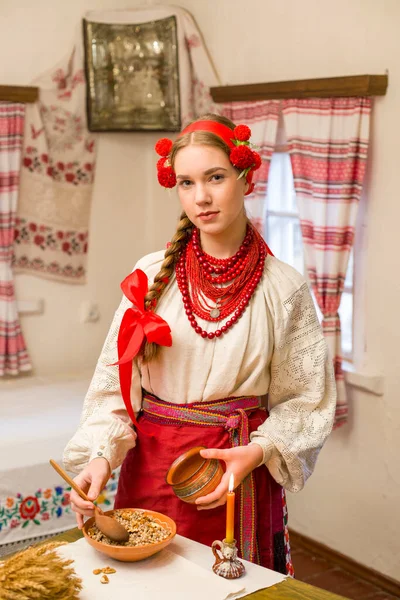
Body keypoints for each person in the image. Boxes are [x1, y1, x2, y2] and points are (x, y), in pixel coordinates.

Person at [63, 113, 336, 575]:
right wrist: (100, 458)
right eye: (186, 183)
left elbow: (305, 402)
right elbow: (115, 390)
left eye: (215, 177)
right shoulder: (150, 278)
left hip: (237, 476)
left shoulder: (284, 289)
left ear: (245, 177)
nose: (201, 197)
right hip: (151, 469)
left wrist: (256, 452)